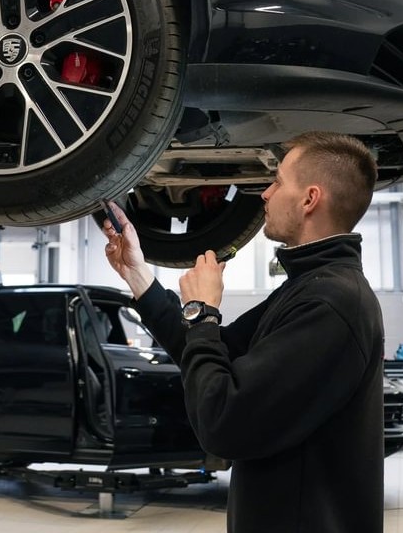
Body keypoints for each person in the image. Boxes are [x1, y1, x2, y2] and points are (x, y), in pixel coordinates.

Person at [102, 131, 384, 533]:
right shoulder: (310, 287)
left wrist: (202, 313)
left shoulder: (330, 304)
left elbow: (223, 423)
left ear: (309, 199)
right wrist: (138, 274)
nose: (265, 194)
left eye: (278, 181)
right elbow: (215, 354)